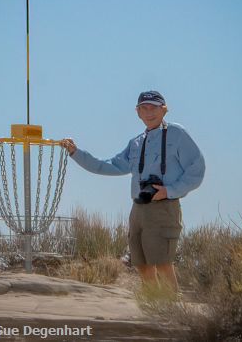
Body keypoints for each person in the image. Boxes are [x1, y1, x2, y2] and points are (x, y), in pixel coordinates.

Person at [62, 91, 205, 293]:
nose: (149, 112)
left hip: (164, 207)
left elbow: (197, 169)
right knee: (141, 263)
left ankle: (171, 310)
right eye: (144, 108)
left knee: (162, 262)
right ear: (137, 112)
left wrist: (169, 191)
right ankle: (154, 305)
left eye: (154, 107)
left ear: (164, 109)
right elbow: (108, 165)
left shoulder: (176, 133)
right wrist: (76, 153)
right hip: (138, 208)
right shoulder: (137, 142)